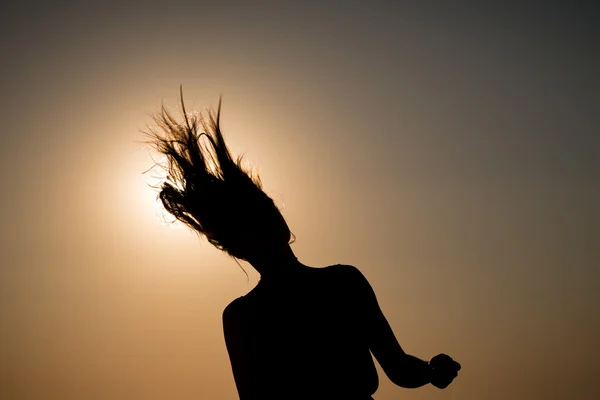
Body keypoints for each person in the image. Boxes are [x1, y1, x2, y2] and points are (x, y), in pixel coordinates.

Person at [145, 89, 461, 400]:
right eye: (256, 217)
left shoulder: (342, 282)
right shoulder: (252, 314)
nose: (270, 215)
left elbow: (400, 369)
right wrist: (430, 374)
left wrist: (432, 373)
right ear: (236, 247)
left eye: (266, 205)